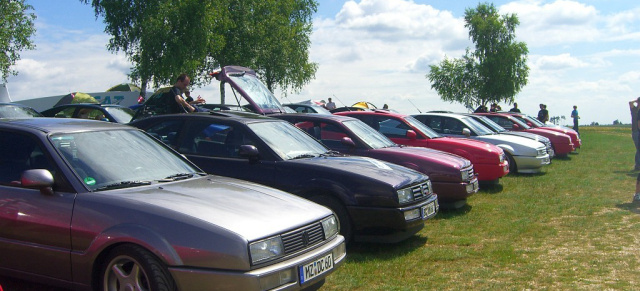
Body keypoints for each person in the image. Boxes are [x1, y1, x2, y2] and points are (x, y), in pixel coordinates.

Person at [629, 97, 640, 171]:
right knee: (638, 148)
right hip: (636, 131)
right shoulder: (634, 109)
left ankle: (637, 165)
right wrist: (636, 101)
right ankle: (637, 165)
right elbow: (630, 103)